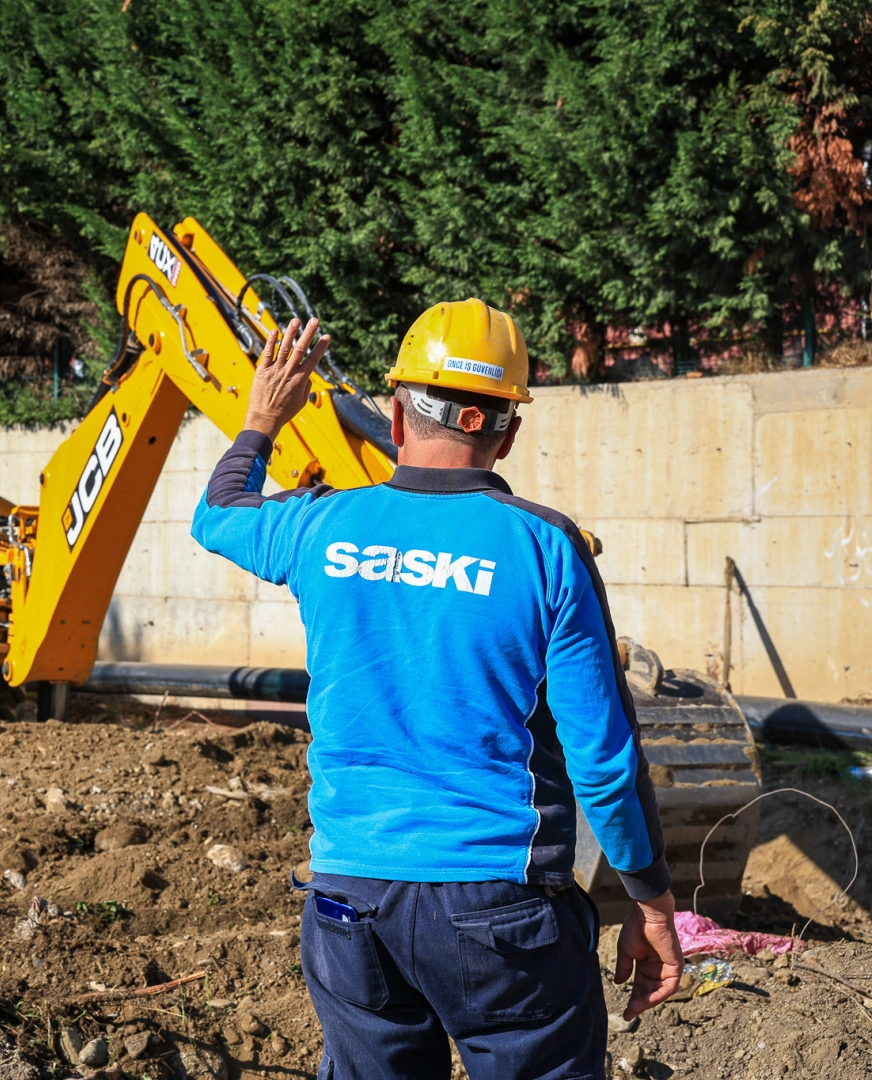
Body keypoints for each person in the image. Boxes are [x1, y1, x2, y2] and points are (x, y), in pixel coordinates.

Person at [191, 300, 684, 1080]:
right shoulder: (544, 547)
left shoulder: (319, 526)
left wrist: (261, 421)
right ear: (508, 431)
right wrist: (649, 900)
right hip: (501, 913)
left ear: (394, 414)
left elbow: (216, 515)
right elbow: (602, 759)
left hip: (347, 903)